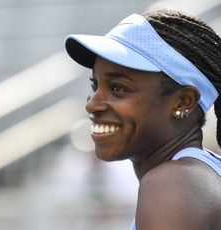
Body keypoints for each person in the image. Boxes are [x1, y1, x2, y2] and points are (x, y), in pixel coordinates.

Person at [65, 10, 221, 229]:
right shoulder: (194, 177)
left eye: (118, 88)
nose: (92, 104)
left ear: (183, 101)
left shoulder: (171, 185)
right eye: (95, 85)